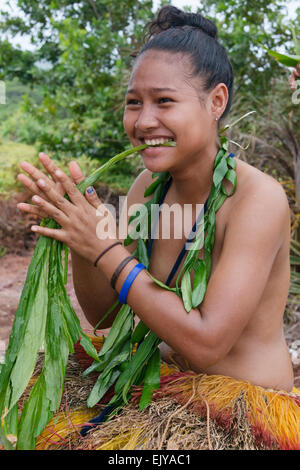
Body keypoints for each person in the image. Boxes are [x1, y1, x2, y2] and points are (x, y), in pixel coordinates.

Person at [17, 6, 299, 450]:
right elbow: (111, 316)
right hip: (161, 386)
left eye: (164, 101)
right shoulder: (147, 186)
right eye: (134, 102)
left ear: (216, 102)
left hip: (241, 409)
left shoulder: (256, 199)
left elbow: (207, 346)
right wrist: (83, 236)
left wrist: (108, 252)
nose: (144, 121)